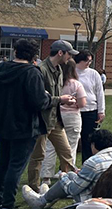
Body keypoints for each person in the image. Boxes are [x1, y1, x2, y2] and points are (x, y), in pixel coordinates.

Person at [0, 39, 53, 209]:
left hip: (1, 122)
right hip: (24, 125)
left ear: (15, 51)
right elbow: (39, 102)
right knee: (15, 166)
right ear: (34, 55)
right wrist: (51, 98)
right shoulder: (31, 73)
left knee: (2, 163)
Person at [27, 40, 79, 193]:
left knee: (66, 153)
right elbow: (39, 99)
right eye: (69, 54)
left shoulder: (59, 70)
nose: (70, 58)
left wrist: (63, 101)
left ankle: (69, 186)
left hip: (55, 120)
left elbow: (53, 96)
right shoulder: (40, 70)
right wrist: (60, 100)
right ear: (61, 53)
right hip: (41, 121)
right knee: (38, 156)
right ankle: (34, 190)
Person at [22, 129, 112, 209]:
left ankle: (41, 201)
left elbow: (73, 190)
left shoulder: (93, 162)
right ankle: (46, 197)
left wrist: (62, 177)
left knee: (67, 178)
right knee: (72, 175)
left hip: (94, 200)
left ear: (93, 145)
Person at [41, 60, 86, 185]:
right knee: (70, 146)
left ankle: (46, 177)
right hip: (72, 116)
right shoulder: (76, 84)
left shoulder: (57, 83)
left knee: (50, 147)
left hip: (56, 115)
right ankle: (65, 174)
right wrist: (74, 102)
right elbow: (82, 103)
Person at [74, 50, 106, 161]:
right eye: (86, 60)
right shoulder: (72, 72)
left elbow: (100, 92)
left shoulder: (93, 73)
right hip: (74, 110)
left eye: (90, 61)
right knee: (72, 139)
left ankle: (87, 162)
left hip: (90, 109)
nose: (88, 63)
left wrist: (101, 111)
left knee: (88, 139)